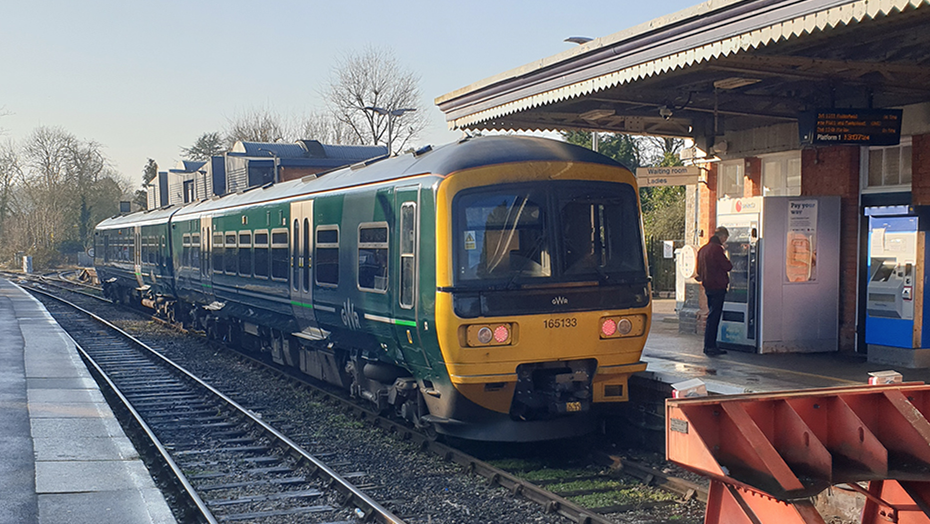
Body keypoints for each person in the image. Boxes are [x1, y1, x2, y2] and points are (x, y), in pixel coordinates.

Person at [696, 226, 732, 356]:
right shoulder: (717, 249)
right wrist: (726, 254)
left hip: (708, 286)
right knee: (714, 317)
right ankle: (710, 346)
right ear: (722, 237)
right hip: (718, 286)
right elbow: (728, 266)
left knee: (711, 315)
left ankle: (708, 345)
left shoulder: (703, 249)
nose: (725, 241)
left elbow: (699, 271)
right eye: (725, 239)